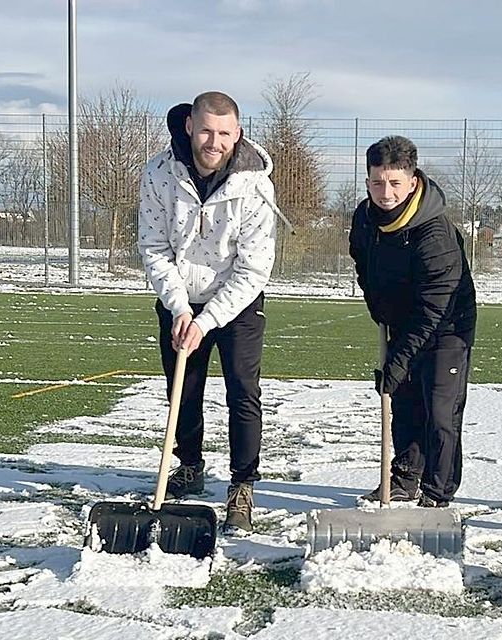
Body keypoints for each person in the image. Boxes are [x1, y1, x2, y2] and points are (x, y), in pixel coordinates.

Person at [138, 91, 284, 532]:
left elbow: (254, 266)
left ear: (237, 134)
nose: (213, 141)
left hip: (236, 302)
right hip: (180, 297)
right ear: (189, 127)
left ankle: (243, 484)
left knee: (243, 391)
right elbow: (154, 247)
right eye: (205, 130)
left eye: (223, 133)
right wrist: (180, 307)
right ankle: (189, 465)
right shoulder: (159, 174)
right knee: (183, 389)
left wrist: (207, 320)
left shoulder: (256, 183)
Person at [348, 136, 477, 508]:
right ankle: (404, 478)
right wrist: (379, 308)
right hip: (400, 320)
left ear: (412, 181)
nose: (385, 193)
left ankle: (437, 492)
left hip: (447, 324)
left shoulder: (434, 233)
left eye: (394, 183)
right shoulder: (365, 218)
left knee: (439, 410)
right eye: (376, 182)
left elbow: (432, 311)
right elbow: (362, 261)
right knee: (402, 402)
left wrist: (399, 358)